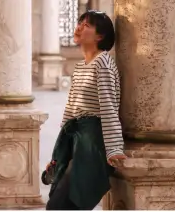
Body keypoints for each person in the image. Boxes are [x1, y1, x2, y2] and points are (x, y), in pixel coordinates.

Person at [45, 11, 126, 210]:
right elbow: (71, 109)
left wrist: (114, 148)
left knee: (68, 201)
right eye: (80, 22)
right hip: (75, 136)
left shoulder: (103, 62)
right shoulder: (81, 66)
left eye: (87, 25)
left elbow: (109, 106)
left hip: (92, 139)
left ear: (100, 36)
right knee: (58, 198)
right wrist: (59, 152)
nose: (79, 27)